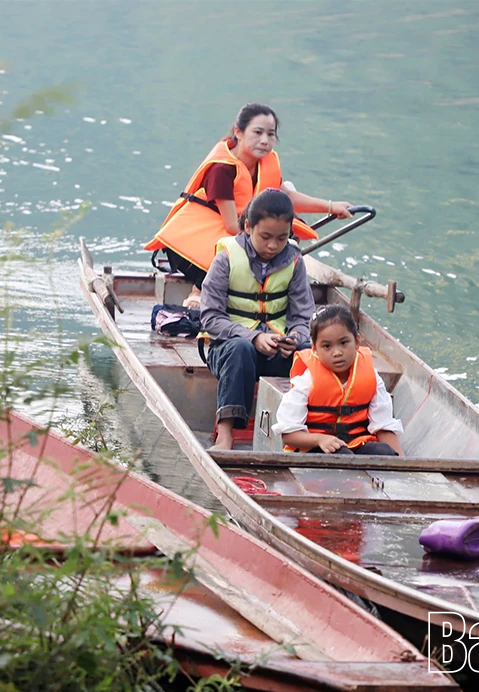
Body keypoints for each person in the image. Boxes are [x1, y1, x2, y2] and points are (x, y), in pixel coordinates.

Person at [145, 102, 354, 308]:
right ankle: (199, 291)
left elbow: (287, 196)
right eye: (258, 132)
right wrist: (272, 242)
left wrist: (331, 206)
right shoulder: (222, 169)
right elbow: (232, 226)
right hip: (191, 250)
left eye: (271, 134)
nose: (265, 140)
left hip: (236, 237)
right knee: (267, 247)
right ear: (238, 132)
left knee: (285, 235)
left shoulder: (265, 164)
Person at [201, 189, 315, 450]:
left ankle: (308, 433)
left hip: (276, 351)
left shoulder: (295, 261)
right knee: (240, 350)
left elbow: (303, 316)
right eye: (265, 237)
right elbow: (210, 318)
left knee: (308, 354)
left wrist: (296, 338)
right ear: (248, 227)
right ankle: (226, 434)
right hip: (228, 349)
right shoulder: (226, 258)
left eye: (281, 238)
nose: (273, 245)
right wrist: (253, 337)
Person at [272, 304, 405, 456]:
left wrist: (403, 463)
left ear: (357, 342)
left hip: (356, 444)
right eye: (327, 346)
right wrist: (319, 439)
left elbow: (383, 427)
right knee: (342, 455)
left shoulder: (372, 377)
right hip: (314, 448)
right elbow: (289, 434)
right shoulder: (307, 381)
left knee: (383, 452)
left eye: (344, 343)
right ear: (315, 349)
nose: (337, 353)